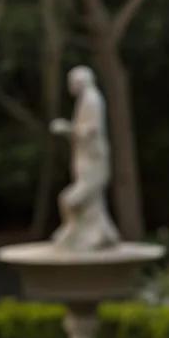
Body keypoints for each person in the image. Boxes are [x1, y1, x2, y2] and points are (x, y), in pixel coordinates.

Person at [50, 66, 121, 251]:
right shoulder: (87, 99)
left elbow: (91, 130)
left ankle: (74, 230)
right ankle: (102, 234)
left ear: (80, 81)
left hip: (93, 159)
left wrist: (67, 128)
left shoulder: (92, 100)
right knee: (93, 203)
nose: (70, 86)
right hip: (86, 158)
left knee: (70, 199)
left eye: (72, 82)